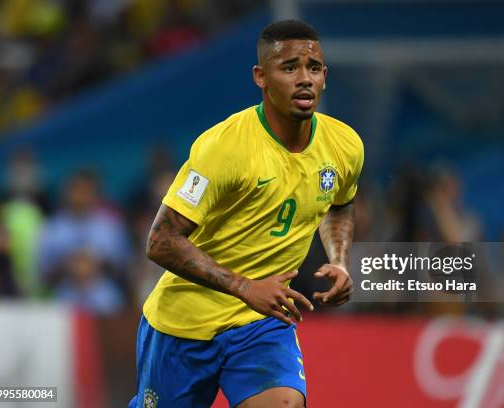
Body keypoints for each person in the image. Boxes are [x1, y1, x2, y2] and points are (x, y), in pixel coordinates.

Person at [129, 20, 364, 408]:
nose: (304, 78)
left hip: (263, 323)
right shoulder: (223, 149)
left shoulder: (344, 145)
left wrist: (339, 261)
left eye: (314, 67)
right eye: (289, 67)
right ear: (261, 77)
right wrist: (245, 287)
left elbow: (340, 203)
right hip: (185, 323)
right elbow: (161, 241)